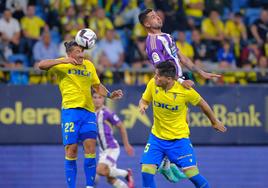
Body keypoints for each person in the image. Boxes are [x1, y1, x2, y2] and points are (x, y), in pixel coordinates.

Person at [138, 8, 221, 182]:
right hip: (171, 81)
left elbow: (181, 57)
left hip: (179, 77)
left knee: (185, 119)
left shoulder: (166, 36)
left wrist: (201, 72)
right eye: (153, 17)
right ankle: (167, 163)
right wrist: (181, 81)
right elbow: (162, 69)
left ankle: (168, 161)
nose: (158, 17)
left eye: (157, 14)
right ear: (146, 24)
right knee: (174, 120)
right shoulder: (153, 43)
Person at [38, 41, 123, 188]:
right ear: (70, 53)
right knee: (71, 150)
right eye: (78, 51)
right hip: (70, 112)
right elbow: (41, 65)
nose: (81, 54)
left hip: (88, 113)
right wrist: (64, 60)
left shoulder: (89, 65)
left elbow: (96, 85)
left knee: (90, 148)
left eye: (82, 51)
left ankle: (89, 186)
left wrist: (109, 94)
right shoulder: (63, 65)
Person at [139, 61, 227, 188]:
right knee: (146, 173)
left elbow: (202, 103)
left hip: (178, 140)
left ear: (169, 79)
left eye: (158, 76)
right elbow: (144, 100)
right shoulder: (153, 84)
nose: (155, 78)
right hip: (156, 138)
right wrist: (143, 105)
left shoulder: (185, 91)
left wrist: (214, 121)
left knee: (193, 176)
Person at [92, 92, 135, 188]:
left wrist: (127, 145)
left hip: (111, 148)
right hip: (103, 150)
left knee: (99, 170)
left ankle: (126, 174)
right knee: (110, 179)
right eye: (95, 97)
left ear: (103, 99)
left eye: (100, 97)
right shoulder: (92, 113)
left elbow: (121, 126)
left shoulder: (106, 112)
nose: (97, 99)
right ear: (91, 99)